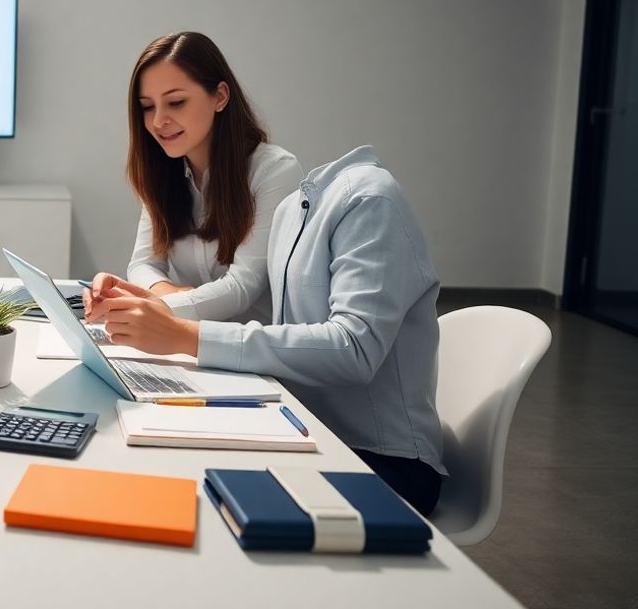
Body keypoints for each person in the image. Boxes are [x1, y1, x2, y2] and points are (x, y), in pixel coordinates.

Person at [85, 146, 446, 515]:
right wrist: (157, 310)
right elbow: (290, 334)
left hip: (385, 462)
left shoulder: (369, 199)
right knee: (158, 456)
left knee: (183, 487)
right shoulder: (296, 209)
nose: (161, 122)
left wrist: (185, 335)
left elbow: (354, 349)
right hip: (305, 428)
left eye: (176, 101)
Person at [124, 31, 302, 323]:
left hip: (250, 357)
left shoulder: (276, 172)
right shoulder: (163, 174)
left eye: (176, 102)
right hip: (184, 349)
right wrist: (167, 293)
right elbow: (143, 264)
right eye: (147, 106)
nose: (158, 121)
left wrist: (161, 308)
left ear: (219, 96)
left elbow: (243, 287)